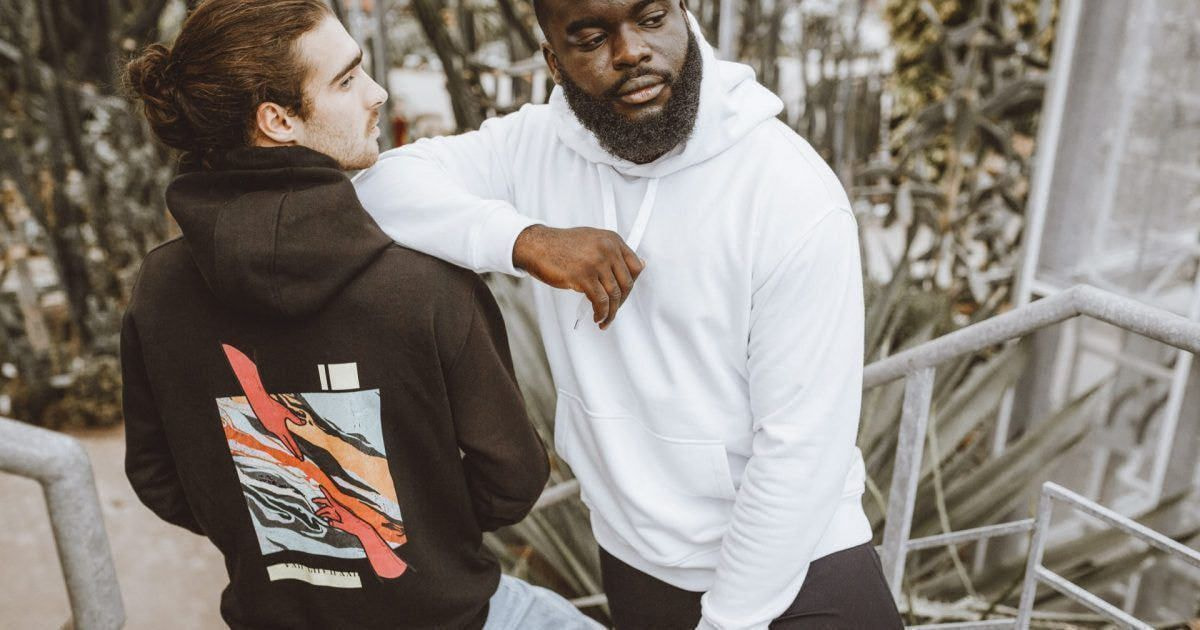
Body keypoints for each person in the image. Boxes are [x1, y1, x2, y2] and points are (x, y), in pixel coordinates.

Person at [353, 0, 904, 628]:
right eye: (592, 38)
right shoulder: (537, 145)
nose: (631, 51)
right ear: (554, 62)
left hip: (800, 578)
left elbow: (800, 451)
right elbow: (379, 188)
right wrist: (527, 240)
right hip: (635, 562)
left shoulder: (788, 193)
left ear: (685, 15)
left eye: (650, 19)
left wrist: (727, 621)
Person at [121, 1, 599, 628]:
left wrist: (277, 535)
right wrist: (419, 536)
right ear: (278, 120)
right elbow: (515, 474)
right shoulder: (424, 284)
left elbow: (156, 476)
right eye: (346, 80)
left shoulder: (159, 288)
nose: (375, 94)